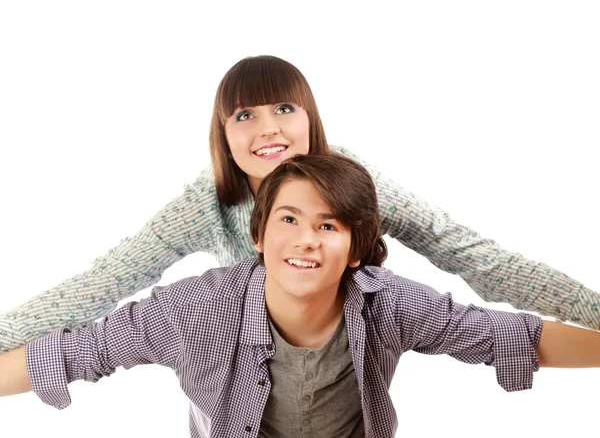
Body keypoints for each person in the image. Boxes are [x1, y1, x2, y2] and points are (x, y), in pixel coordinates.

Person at [0, 55, 597, 354]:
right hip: (245, 373)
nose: (269, 128)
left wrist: (591, 311)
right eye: (245, 115)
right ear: (224, 134)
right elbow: (104, 281)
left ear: (309, 116)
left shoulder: (353, 174)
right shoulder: (207, 202)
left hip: (344, 362)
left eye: (285, 108)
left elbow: (471, 253)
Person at [1, 153, 598, 438]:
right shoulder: (195, 309)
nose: (305, 239)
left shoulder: (384, 301)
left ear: (357, 249)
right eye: (287, 219)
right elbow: (82, 348)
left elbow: (506, 335)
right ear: (257, 236)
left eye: (329, 225)